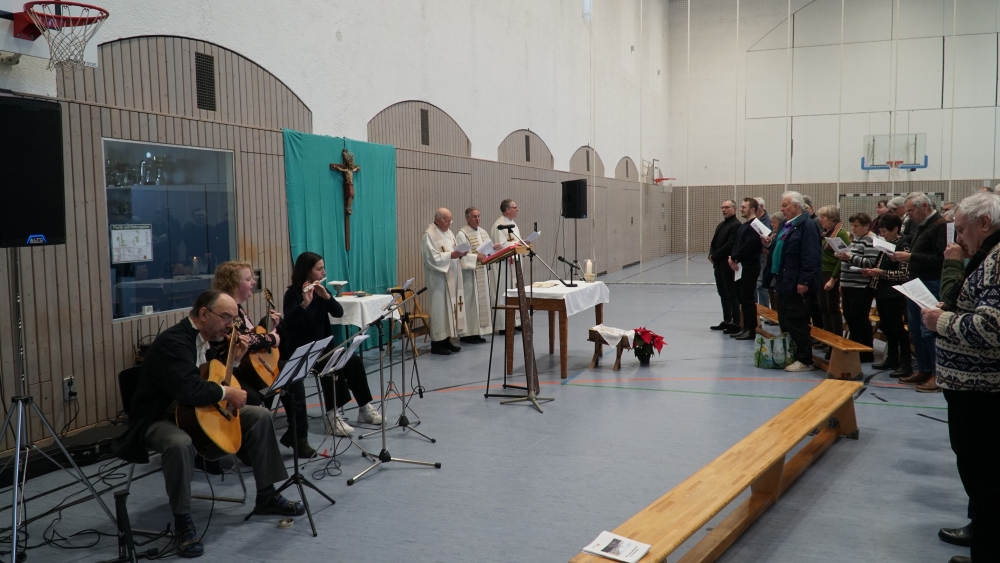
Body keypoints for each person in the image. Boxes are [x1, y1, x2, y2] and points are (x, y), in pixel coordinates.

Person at [112, 289, 302, 558]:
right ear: (204, 314)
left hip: (191, 410)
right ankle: (183, 522)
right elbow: (189, 390)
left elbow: (210, 377)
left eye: (233, 319)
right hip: (158, 416)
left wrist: (235, 361)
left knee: (259, 416)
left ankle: (267, 495)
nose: (230, 325)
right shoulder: (174, 342)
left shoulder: (205, 341)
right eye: (226, 318)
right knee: (179, 443)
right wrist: (228, 392)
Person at [921, 192, 1000, 563]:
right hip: (974, 387)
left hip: (982, 391)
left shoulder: (996, 261)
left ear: (984, 223)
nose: (958, 240)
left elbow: (992, 328)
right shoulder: (987, 255)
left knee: (986, 481)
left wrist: (942, 321)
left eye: (962, 230)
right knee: (984, 481)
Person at [282, 252, 382, 448]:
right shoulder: (292, 294)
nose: (324, 272)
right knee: (330, 366)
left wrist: (326, 297)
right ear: (307, 271)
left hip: (324, 346)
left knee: (353, 360)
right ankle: (332, 415)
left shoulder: (321, 291)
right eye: (319, 269)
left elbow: (339, 312)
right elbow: (289, 321)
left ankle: (364, 408)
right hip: (304, 351)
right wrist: (305, 303)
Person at [763, 191, 822, 372]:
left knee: (796, 319)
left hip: (797, 282)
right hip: (783, 280)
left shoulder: (808, 226)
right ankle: (791, 353)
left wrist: (804, 280)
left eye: (785, 205)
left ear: (796, 206)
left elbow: (811, 255)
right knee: (784, 318)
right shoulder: (786, 225)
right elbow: (780, 248)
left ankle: (805, 360)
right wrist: (768, 244)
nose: (782, 209)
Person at [893, 192, 947, 386]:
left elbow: (940, 258)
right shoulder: (922, 225)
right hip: (915, 282)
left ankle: (936, 374)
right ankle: (923, 369)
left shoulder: (940, 225)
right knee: (915, 328)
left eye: (911, 211)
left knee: (928, 330)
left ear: (924, 205)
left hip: (930, 282)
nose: (909, 216)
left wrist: (911, 257)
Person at [211, 261, 280, 408]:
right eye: (248, 279)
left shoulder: (238, 308)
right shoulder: (228, 309)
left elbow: (247, 332)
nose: (253, 282)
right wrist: (272, 338)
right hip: (224, 369)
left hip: (238, 365)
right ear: (233, 284)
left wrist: (266, 326)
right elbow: (243, 338)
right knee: (255, 394)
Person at [860, 213, 912, 376]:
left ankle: (906, 363)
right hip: (882, 291)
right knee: (887, 327)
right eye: (880, 231)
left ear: (895, 229)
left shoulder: (903, 246)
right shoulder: (886, 244)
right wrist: (871, 272)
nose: (882, 234)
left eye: (885, 231)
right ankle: (892, 358)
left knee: (897, 329)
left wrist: (881, 273)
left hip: (895, 294)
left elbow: (904, 274)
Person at [827, 213, 879, 364]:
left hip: (860, 286)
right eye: (852, 226)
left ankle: (866, 352)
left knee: (860, 319)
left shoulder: (871, 240)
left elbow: (870, 263)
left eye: (857, 226)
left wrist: (849, 257)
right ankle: (855, 348)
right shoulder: (857, 239)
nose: (854, 229)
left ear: (867, 226)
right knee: (850, 317)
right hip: (848, 284)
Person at [422, 208, 468, 355]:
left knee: (449, 310)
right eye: (446, 221)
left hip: (452, 276)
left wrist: (460, 253)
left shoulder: (448, 233)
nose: (449, 224)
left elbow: (453, 249)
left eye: (450, 221)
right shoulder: (429, 235)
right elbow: (431, 258)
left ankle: (447, 340)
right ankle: (436, 343)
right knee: (440, 310)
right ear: (437, 220)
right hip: (439, 280)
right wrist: (451, 255)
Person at [456, 207, 499, 344]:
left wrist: (493, 248)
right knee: (471, 303)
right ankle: (468, 334)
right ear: (467, 218)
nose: (477, 219)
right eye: (474, 216)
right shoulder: (462, 234)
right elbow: (461, 255)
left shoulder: (483, 232)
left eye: (479, 216)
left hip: (482, 272)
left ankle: (478, 332)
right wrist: (476, 257)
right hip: (469, 275)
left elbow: (487, 251)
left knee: (481, 303)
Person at [728, 198, 763, 340]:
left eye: (744, 207)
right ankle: (745, 327)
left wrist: (735, 257)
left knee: (748, 298)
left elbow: (749, 246)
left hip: (750, 266)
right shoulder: (744, 226)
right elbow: (738, 244)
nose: (741, 209)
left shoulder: (755, 225)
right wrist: (732, 258)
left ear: (752, 209)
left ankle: (751, 329)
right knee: (742, 298)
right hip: (741, 266)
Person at [816, 205, 850, 341]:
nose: (821, 220)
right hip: (821, 272)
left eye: (823, 217)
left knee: (832, 308)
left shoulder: (840, 234)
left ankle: (836, 341)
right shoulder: (825, 233)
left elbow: (843, 258)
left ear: (832, 218)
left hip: (831, 273)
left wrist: (833, 278)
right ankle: (827, 340)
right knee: (823, 307)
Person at [708, 200, 740, 333]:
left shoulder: (736, 225)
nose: (724, 210)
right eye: (722, 207)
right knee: (722, 292)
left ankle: (736, 322)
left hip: (728, 265)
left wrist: (715, 256)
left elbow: (730, 244)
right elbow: (714, 243)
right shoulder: (721, 225)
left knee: (731, 293)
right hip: (718, 265)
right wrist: (711, 255)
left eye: (727, 207)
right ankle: (727, 320)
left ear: (734, 209)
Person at [490, 199, 521, 332]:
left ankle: (516, 322)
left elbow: (515, 241)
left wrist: (522, 244)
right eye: (515, 207)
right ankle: (504, 325)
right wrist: (516, 245)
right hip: (504, 266)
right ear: (508, 210)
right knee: (504, 291)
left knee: (515, 291)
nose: (517, 209)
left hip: (514, 264)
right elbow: (501, 246)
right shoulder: (499, 226)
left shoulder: (512, 224)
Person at [754, 197, 771, 307]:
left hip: (763, 255)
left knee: (760, 283)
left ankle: (765, 310)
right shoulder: (753, 219)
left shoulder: (768, 220)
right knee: (753, 284)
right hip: (753, 254)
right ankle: (755, 309)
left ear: (761, 207)